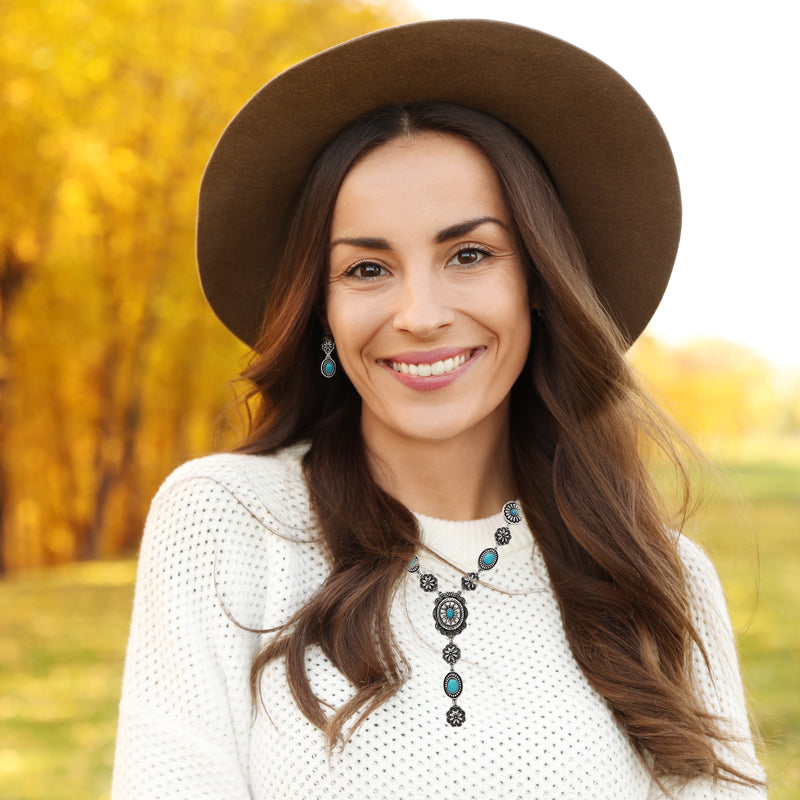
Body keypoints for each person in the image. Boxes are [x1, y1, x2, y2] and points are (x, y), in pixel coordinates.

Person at [111, 19, 766, 799]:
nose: (419, 313)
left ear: (540, 284)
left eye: (469, 254)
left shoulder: (664, 580)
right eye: (365, 267)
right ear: (320, 310)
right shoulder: (225, 524)